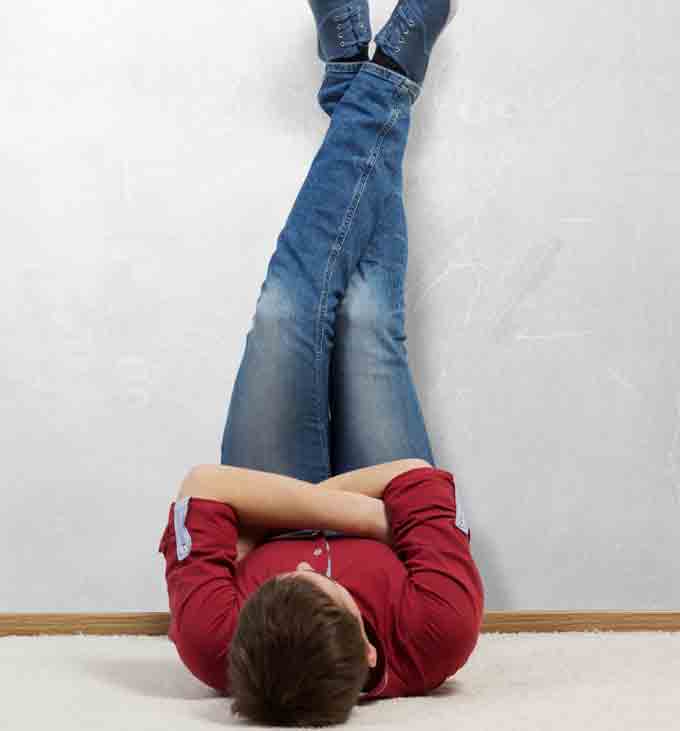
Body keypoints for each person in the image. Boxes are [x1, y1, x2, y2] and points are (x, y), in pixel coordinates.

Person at [155, 0, 483, 726]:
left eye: (282, 579)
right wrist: (268, 520)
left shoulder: (215, 642)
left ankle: (372, 74)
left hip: (332, 502)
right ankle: (376, 77)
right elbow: (421, 482)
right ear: (368, 653)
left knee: (285, 312)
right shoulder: (439, 630)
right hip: (295, 498)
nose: (306, 564)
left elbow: (201, 486)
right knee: (366, 319)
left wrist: (362, 518)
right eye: (321, 586)